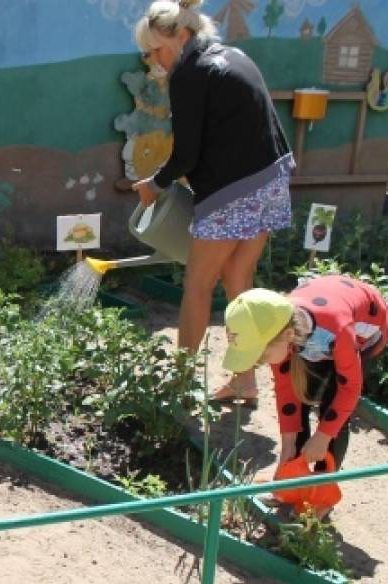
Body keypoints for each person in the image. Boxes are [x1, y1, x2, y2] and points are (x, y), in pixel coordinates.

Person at [131, 0, 293, 406]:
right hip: (271, 180)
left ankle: (182, 382)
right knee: (239, 282)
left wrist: (154, 184)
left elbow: (186, 155)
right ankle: (245, 380)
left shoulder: (191, 73)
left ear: (181, 36)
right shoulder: (234, 56)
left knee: (197, 284)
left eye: (156, 50)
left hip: (233, 192)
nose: (154, 61)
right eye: (147, 54)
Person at [221, 276, 388, 516]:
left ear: (288, 335)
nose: (258, 361)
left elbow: (350, 388)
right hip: (316, 337)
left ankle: (322, 492)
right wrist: (287, 447)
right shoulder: (277, 329)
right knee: (302, 391)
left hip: (365, 333)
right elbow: (287, 394)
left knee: (333, 407)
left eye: (260, 354)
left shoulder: (336, 329)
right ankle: (293, 480)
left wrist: (323, 437)